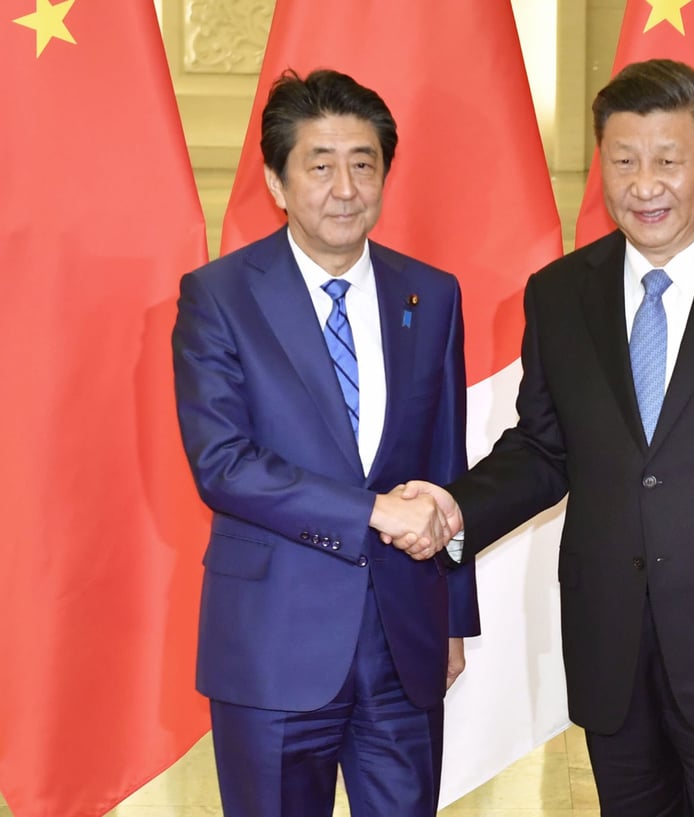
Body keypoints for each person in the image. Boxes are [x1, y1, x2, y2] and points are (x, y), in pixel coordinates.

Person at [398, 59, 694, 816]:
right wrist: (454, 509)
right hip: (613, 648)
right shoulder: (560, 292)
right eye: (623, 161)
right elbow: (543, 447)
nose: (644, 184)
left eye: (667, 160)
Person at [171, 68, 478, 817]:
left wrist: (452, 617)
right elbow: (224, 464)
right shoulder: (219, 297)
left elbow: (445, 464)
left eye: (363, 163)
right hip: (274, 646)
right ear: (277, 182)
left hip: (403, 644)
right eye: (320, 164)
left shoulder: (430, 294)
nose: (345, 187)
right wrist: (371, 511)